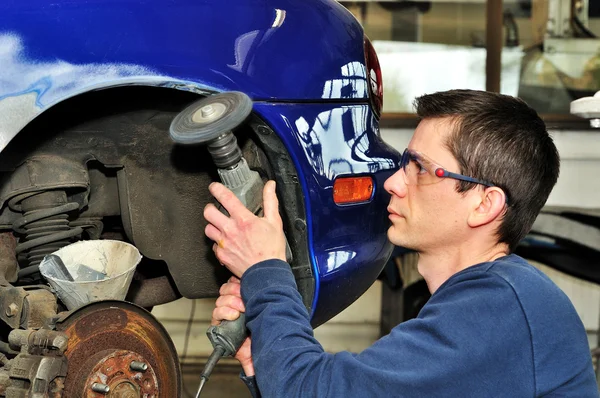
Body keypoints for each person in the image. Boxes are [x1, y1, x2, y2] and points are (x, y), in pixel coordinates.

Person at [203, 89, 598, 397]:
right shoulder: (480, 301)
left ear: (484, 204)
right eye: (404, 162)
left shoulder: (503, 306)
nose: (393, 182)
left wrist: (265, 270)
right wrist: (266, 362)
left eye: (420, 169)